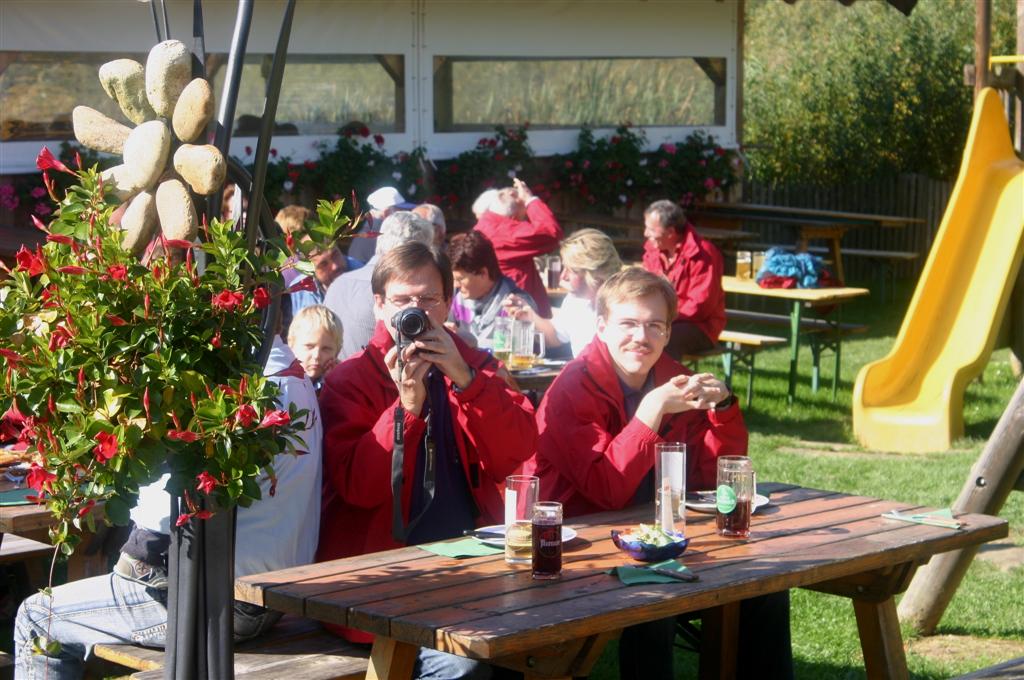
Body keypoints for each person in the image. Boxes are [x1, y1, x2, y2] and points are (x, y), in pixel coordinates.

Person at [523, 267, 792, 680]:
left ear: (668, 333)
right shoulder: (571, 389)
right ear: (601, 327)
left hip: (657, 535)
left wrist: (722, 411)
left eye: (654, 326)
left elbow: (710, 481)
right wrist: (651, 411)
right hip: (575, 548)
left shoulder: (674, 378)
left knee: (764, 588)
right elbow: (607, 489)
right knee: (655, 598)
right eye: (628, 324)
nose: (641, 337)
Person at [14, 335, 323, 678]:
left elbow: (164, 525)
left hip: (222, 604)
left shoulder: (244, 390)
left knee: (38, 616)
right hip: (268, 596)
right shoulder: (288, 377)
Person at [317, 243, 537, 679]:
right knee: (462, 667)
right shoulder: (351, 381)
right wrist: (406, 411)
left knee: (537, 643)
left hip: (475, 564)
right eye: (402, 300)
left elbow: (519, 448)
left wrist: (467, 381)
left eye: (428, 299)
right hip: (388, 577)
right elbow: (358, 489)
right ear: (380, 305)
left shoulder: (474, 365)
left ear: (448, 302)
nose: (414, 312)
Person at [323, 211, 435, 359]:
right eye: (427, 253)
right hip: (381, 377)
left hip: (335, 377)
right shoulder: (399, 295)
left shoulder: (338, 284)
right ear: (414, 255)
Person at [504, 228, 622, 357]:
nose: (563, 276)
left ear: (594, 273)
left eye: (571, 270)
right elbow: (554, 337)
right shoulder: (575, 301)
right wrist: (527, 314)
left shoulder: (624, 305)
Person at [641, 199, 726, 357]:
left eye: (651, 229)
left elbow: (701, 306)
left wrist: (663, 318)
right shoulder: (653, 251)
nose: (646, 234)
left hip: (701, 327)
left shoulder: (704, 254)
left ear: (671, 232)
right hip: (662, 320)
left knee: (662, 340)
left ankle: (666, 381)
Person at [473, 178, 562, 318]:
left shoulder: (485, 226)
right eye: (524, 214)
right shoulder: (504, 232)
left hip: (500, 309)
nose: (526, 219)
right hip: (516, 315)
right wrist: (530, 200)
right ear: (514, 217)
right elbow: (551, 233)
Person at [447, 231, 537, 348]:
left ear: (483, 273)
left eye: (461, 279)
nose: (455, 285)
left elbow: (524, 350)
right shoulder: (456, 298)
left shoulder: (517, 304)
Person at [347, 186, 412, 262]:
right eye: (401, 211)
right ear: (386, 213)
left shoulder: (369, 233)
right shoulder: (381, 236)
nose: (404, 215)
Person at [287, 304, 343, 388]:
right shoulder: (285, 383)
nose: (317, 356)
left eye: (326, 349)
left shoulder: (341, 383)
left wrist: (334, 384)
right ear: (291, 344)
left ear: (337, 351)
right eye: (309, 346)